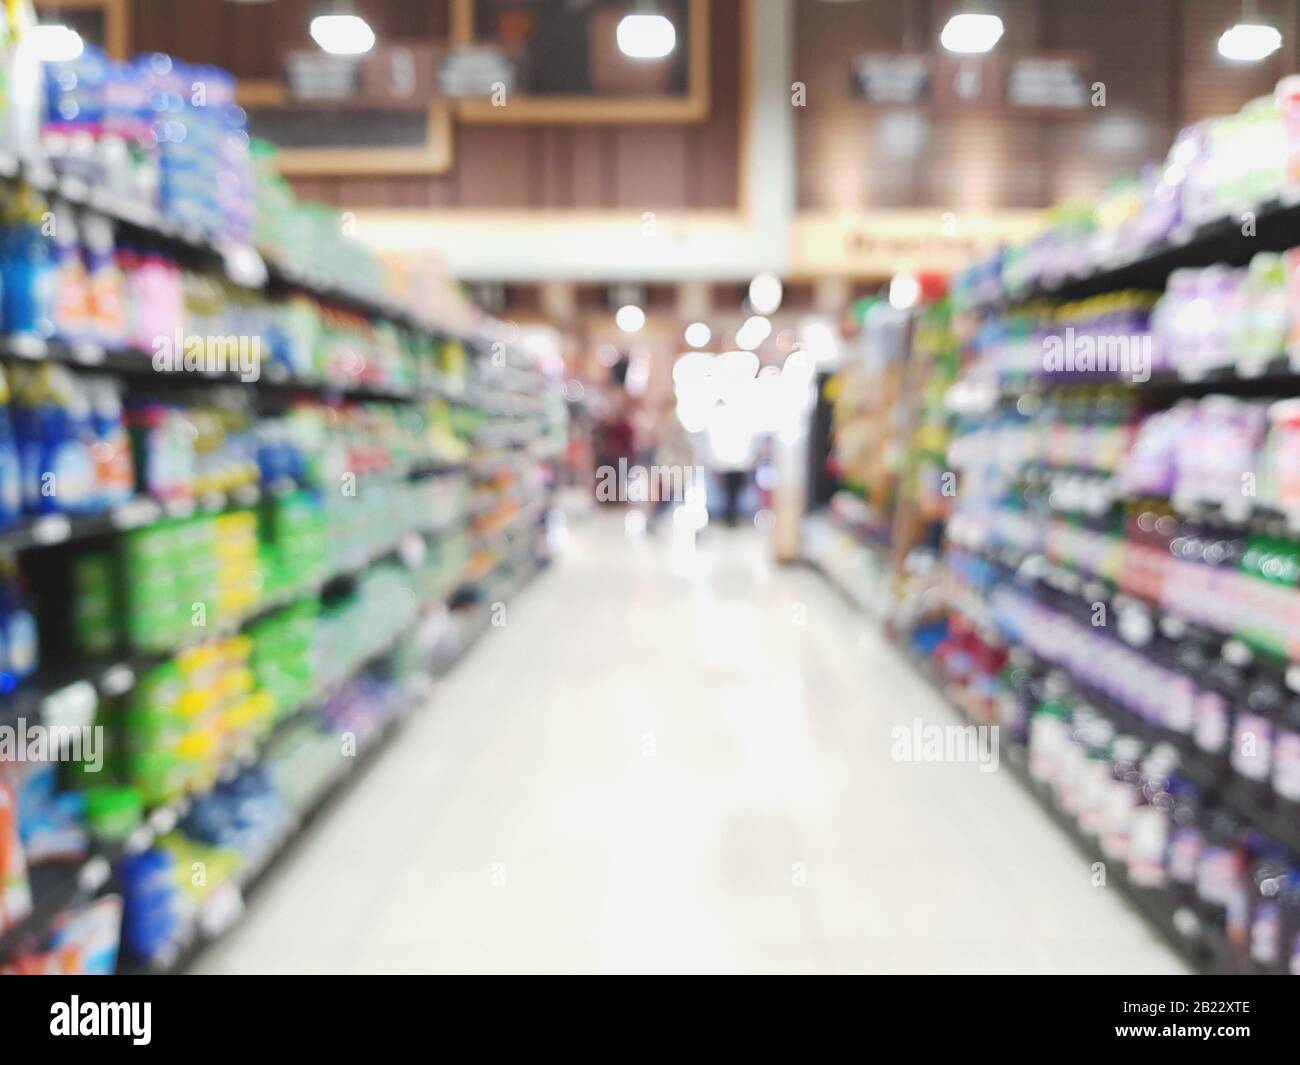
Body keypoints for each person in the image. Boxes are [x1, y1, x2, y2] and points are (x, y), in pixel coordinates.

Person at [646, 396, 695, 532]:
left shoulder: (675, 424)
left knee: (680, 496)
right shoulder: (664, 425)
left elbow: (686, 447)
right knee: (669, 496)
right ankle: (653, 522)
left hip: (678, 466)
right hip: (669, 466)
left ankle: (695, 527)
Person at [705, 400, 755, 528]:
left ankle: (731, 519)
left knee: (733, 495)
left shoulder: (734, 424)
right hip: (729, 466)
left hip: (735, 465)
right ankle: (729, 518)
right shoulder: (722, 426)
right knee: (729, 495)